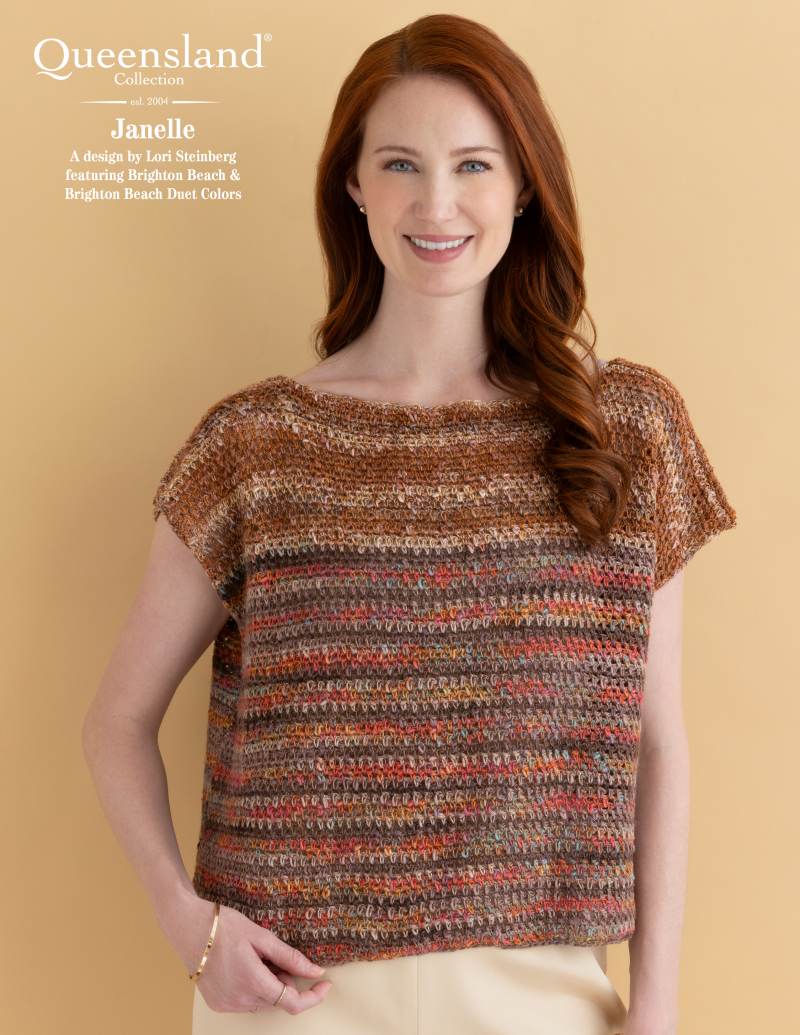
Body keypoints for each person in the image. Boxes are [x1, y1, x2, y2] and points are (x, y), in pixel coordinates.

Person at [82, 14, 737, 1035]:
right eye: (400, 164)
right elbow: (115, 721)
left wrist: (655, 1010)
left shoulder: (624, 430)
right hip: (293, 1001)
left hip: (542, 998)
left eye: (473, 164)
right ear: (353, 184)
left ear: (523, 187)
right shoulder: (258, 444)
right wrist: (188, 924)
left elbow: (658, 743)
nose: (436, 204)